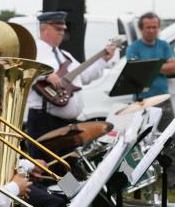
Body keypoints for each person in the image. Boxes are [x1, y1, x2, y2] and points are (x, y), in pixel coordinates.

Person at [26, 11, 115, 160]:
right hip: (45, 120)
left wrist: (103, 60)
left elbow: (85, 76)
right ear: (44, 29)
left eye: (63, 29)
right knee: (44, 165)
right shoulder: (33, 51)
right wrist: (45, 75)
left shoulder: (65, 55)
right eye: (58, 29)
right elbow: (24, 71)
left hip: (67, 123)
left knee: (67, 166)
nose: (62, 33)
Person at [126, 11, 175, 188]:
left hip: (163, 100)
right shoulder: (133, 48)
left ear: (158, 28)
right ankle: (141, 180)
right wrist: (159, 65)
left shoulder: (164, 45)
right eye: (148, 27)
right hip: (141, 103)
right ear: (141, 29)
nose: (151, 30)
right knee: (140, 143)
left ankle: (174, 180)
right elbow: (135, 71)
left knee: (168, 140)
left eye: (154, 27)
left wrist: (150, 66)